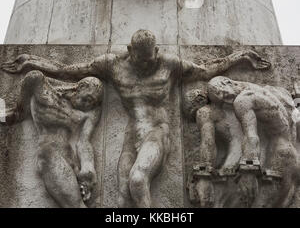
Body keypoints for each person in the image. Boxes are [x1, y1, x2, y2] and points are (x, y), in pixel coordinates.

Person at [2, 30, 270, 208]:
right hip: (132, 136)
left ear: (157, 51)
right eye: (140, 59)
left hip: (157, 132)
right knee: (120, 200)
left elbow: (205, 69)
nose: (145, 64)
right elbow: (68, 70)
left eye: (149, 58)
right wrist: (32, 62)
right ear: (130, 50)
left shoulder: (169, 64)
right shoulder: (112, 65)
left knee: (138, 180)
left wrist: (240, 56)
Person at [1, 71, 103, 208]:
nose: (88, 105)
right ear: (81, 87)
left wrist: (88, 165)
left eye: (92, 103)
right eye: (88, 99)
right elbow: (17, 113)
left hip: (70, 159)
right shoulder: (42, 90)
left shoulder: (90, 112)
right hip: (49, 154)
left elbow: (84, 141)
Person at [207, 76, 300, 207]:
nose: (227, 100)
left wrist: (248, 172)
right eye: (222, 100)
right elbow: (296, 121)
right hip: (293, 158)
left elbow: (251, 136)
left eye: (223, 93)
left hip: (278, 158)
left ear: (226, 82)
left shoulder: (242, 100)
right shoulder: (276, 92)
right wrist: (298, 100)